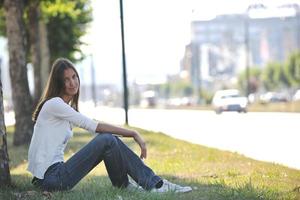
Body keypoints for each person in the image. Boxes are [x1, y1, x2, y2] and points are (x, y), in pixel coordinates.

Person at [27, 58, 192, 193]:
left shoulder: (61, 107)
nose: (72, 83)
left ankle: (125, 186)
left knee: (109, 141)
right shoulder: (55, 104)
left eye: (74, 77)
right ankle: (155, 184)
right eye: (66, 79)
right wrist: (133, 133)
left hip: (50, 178)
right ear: (59, 83)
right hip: (52, 177)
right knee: (106, 139)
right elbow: (93, 125)